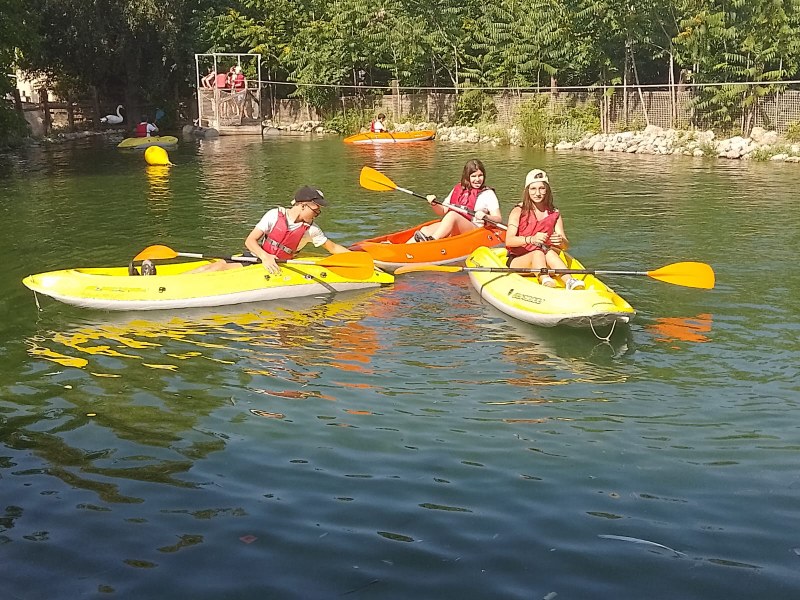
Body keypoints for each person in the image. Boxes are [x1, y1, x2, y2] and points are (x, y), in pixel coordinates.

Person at [190, 186, 351, 274]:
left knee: (216, 269)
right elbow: (250, 240)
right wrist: (265, 256)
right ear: (303, 205)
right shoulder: (274, 215)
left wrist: (361, 259)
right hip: (257, 258)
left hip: (277, 265)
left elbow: (334, 248)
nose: (318, 213)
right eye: (316, 209)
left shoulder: (312, 230)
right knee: (210, 267)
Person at [505, 169, 585, 290]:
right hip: (519, 260)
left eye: (542, 188)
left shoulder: (555, 213)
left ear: (547, 190)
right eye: (533, 189)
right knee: (538, 253)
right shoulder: (518, 211)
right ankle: (545, 280)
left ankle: (569, 280)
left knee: (549, 252)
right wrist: (531, 239)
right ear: (527, 190)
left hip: (545, 256)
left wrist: (560, 241)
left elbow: (565, 245)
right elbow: (509, 241)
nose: (537, 193)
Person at [410, 158, 502, 242]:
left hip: (475, 230)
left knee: (452, 215)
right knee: (425, 230)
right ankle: (402, 250)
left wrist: (486, 217)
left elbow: (498, 219)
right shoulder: (458, 189)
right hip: (455, 226)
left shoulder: (488, 194)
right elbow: (443, 210)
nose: (477, 179)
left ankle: (432, 242)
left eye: (480, 175)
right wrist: (434, 204)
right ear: (467, 177)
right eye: (474, 176)